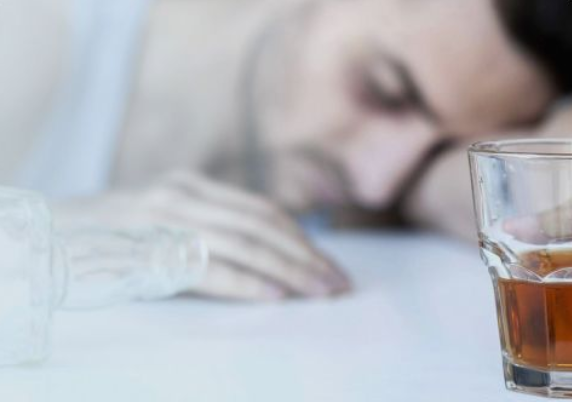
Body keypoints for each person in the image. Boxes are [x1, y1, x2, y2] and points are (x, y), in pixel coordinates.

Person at [0, 0, 570, 301]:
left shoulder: (371, 171)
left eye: (436, 151)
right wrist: (40, 237)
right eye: (383, 90)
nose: (376, 183)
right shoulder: (25, 37)